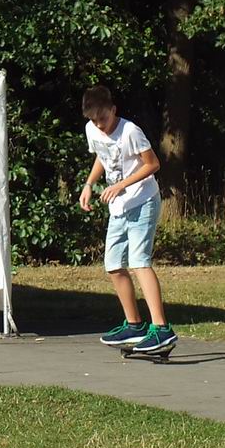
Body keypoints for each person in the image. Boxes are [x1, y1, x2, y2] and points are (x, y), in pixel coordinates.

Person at [78, 85, 178, 353]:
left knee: (139, 261)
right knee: (113, 265)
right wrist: (89, 184)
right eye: (94, 121)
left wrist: (121, 185)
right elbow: (103, 156)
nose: (100, 125)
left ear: (113, 110)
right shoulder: (92, 130)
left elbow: (153, 164)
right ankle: (134, 325)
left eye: (103, 118)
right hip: (119, 207)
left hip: (142, 201)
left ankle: (162, 329)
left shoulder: (130, 131)